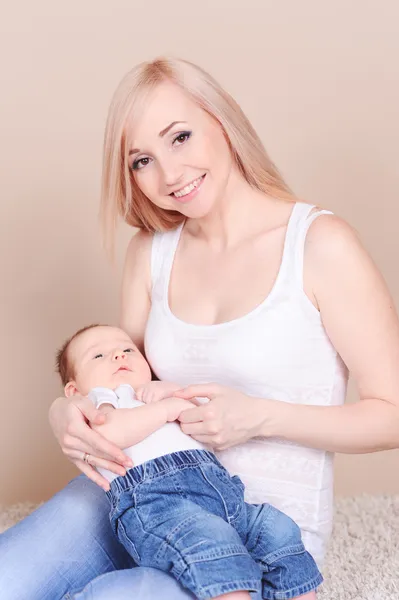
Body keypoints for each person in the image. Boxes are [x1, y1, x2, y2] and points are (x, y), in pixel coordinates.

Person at [1, 56, 399, 600]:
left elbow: (393, 414)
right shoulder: (150, 254)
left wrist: (261, 417)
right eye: (143, 159)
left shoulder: (320, 245)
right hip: (143, 496)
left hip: (251, 529)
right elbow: (123, 377)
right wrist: (62, 411)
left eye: (180, 137)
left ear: (223, 121)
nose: (169, 175)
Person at [54, 322, 322, 600]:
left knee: (276, 528)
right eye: (99, 356)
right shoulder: (101, 400)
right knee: (211, 543)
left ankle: (296, 593)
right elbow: (109, 432)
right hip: (158, 502)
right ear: (74, 391)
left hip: (223, 492)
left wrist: (174, 394)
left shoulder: (160, 392)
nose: (119, 356)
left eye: (127, 349)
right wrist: (167, 408)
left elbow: (210, 430)